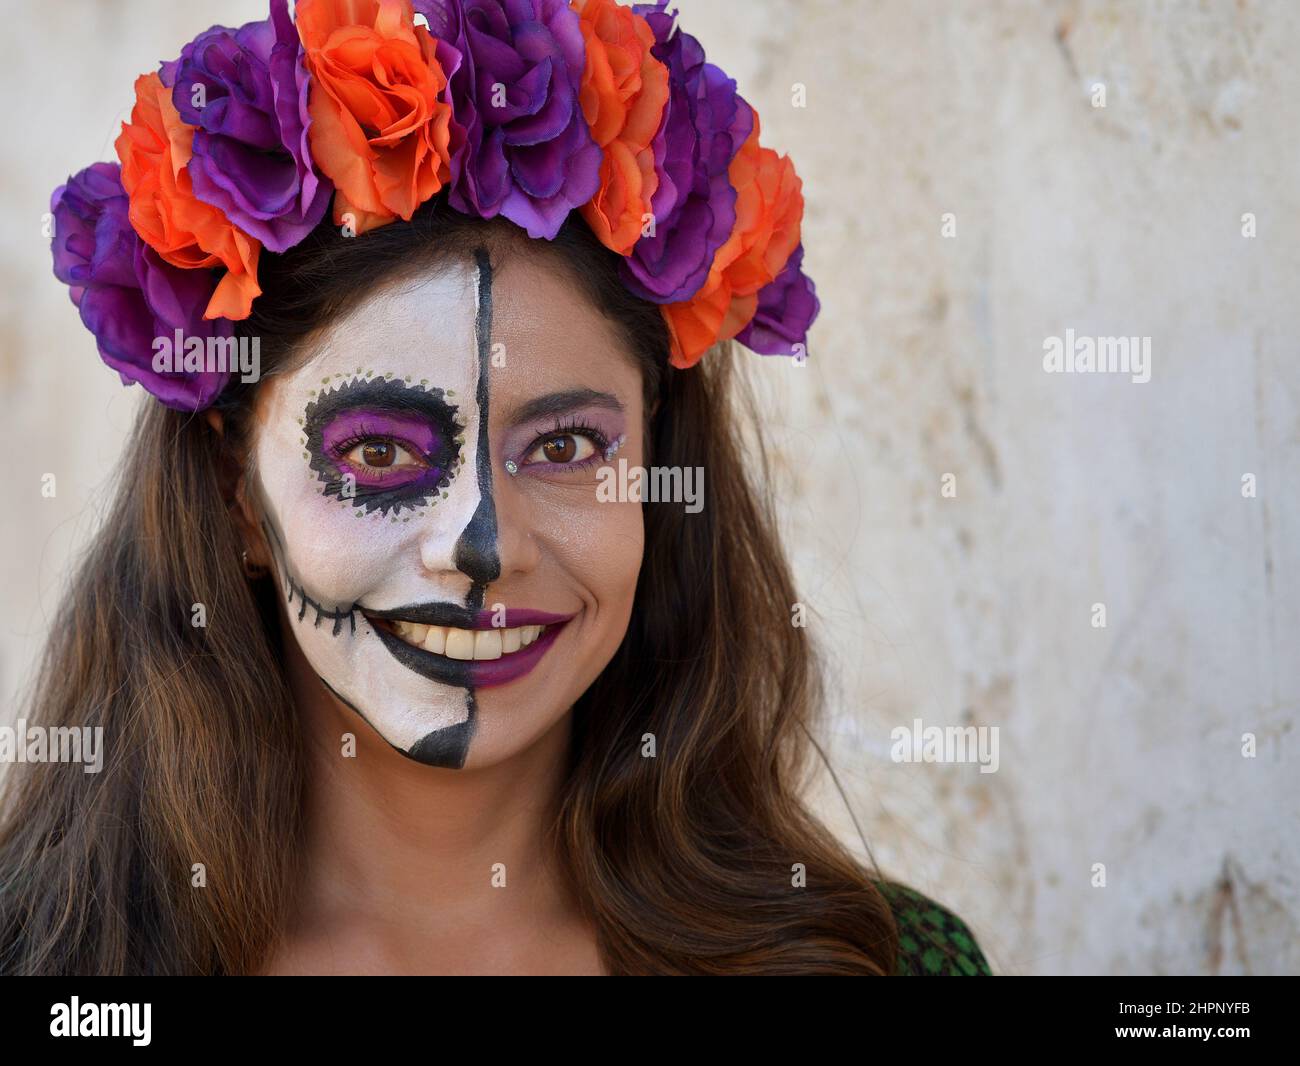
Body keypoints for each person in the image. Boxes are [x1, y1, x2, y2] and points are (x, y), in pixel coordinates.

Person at [0, 0, 990, 976]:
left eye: (563, 445)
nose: (481, 544)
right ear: (237, 495)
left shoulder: (876, 962)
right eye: (379, 455)